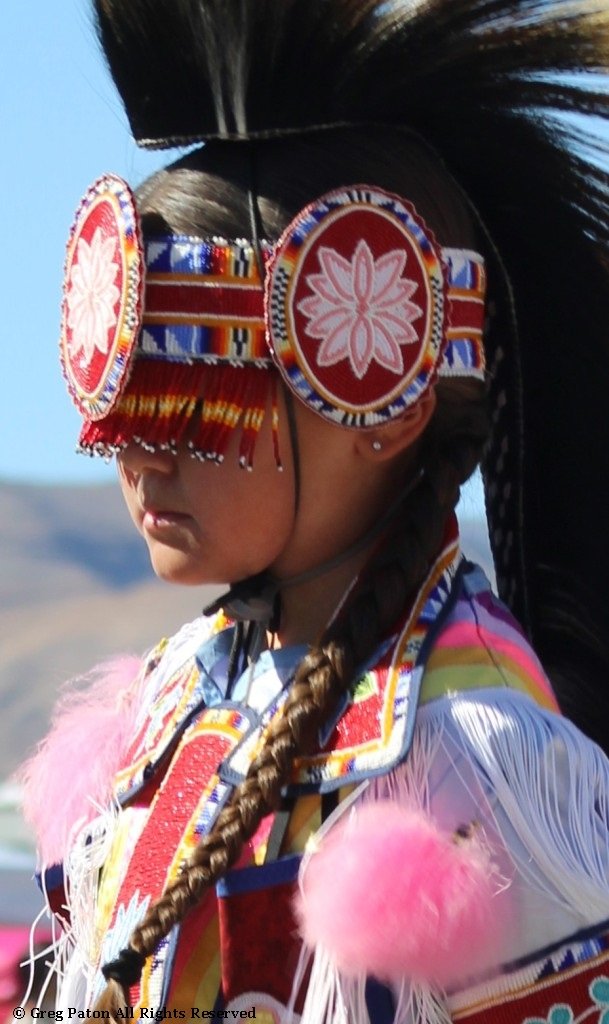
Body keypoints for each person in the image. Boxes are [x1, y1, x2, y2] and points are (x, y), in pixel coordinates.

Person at [20, 1, 609, 1022]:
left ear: (382, 407)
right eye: (123, 415)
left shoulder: (479, 756)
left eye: (191, 410)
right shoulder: (171, 707)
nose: (142, 460)